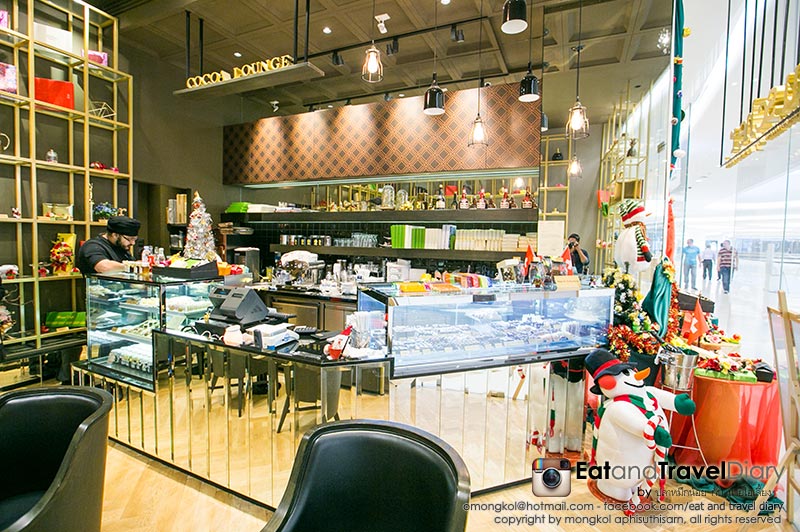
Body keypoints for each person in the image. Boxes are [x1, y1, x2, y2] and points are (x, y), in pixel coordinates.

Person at [76, 216, 141, 276]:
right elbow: (103, 267)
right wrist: (132, 266)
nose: (133, 243)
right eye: (129, 239)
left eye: (135, 239)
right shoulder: (92, 246)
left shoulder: (121, 246)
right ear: (115, 235)